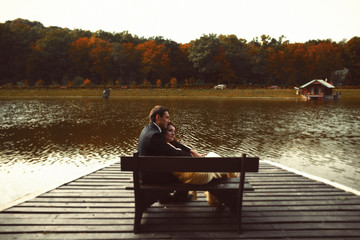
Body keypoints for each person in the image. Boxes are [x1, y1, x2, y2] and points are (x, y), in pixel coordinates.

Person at [162, 121, 237, 207]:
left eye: (174, 131)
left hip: (190, 173)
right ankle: (233, 183)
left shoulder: (168, 145)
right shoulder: (166, 148)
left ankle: (217, 198)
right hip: (195, 175)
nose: (173, 133)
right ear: (163, 132)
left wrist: (199, 158)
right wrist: (201, 160)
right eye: (170, 131)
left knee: (215, 162)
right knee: (216, 160)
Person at [137, 105, 192, 203]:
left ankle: (164, 196)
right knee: (184, 175)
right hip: (151, 176)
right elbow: (173, 153)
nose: (168, 120)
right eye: (166, 117)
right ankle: (179, 198)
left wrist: (188, 150)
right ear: (158, 117)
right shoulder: (155, 135)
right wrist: (190, 156)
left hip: (143, 172)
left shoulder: (148, 129)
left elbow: (169, 146)